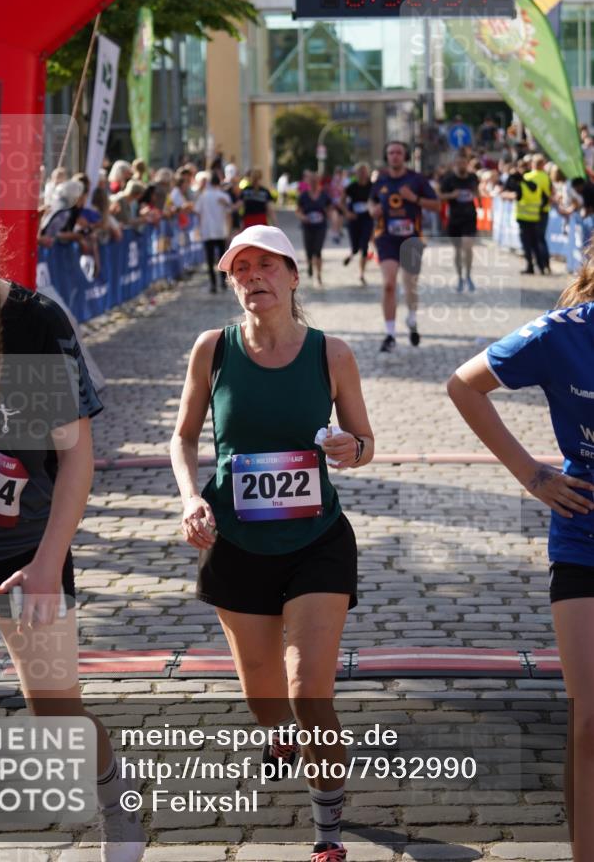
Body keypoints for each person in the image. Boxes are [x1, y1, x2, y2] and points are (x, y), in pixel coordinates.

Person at [0, 192, 145, 862]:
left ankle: (117, 793)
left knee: (53, 708)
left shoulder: (34, 323)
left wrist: (51, 562)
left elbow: (77, 457)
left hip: (30, 545)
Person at [170, 225, 374, 862]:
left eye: (265, 266)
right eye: (240, 269)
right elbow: (182, 439)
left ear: (292, 276)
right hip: (235, 541)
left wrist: (349, 448)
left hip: (318, 540)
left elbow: (364, 443)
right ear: (231, 282)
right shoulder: (213, 349)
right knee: (265, 699)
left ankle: (328, 828)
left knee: (306, 687)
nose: (253, 276)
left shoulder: (331, 354)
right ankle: (278, 736)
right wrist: (190, 498)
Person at [447, 245, 594, 862]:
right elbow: (463, 384)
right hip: (584, 534)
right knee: (590, 719)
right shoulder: (563, 334)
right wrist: (531, 473)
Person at [370, 142, 439, 352]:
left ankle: (411, 318)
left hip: (411, 239)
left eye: (399, 152)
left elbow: (436, 205)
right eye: (391, 152)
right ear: (386, 156)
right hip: (386, 239)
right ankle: (390, 334)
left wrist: (414, 199)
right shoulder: (380, 180)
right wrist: (374, 210)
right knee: (388, 285)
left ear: (405, 156)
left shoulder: (417, 179)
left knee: (410, 284)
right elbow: (371, 204)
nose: (395, 156)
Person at [439, 151, 480, 292]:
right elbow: (440, 196)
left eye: (464, 162)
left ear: (467, 163)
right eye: (459, 162)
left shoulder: (473, 177)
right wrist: (452, 195)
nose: (462, 165)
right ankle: (460, 278)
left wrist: (477, 197)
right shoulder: (448, 179)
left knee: (467, 247)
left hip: (470, 217)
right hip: (455, 218)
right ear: (455, 163)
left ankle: (468, 275)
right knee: (457, 250)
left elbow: (477, 191)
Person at [194, 170, 232, 293]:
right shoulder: (224, 196)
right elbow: (229, 214)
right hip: (220, 230)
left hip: (207, 230)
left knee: (209, 259)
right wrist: (229, 230)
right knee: (222, 257)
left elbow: (198, 213)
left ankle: (213, 284)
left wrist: (199, 228)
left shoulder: (203, 196)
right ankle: (223, 281)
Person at [502, 166, 543, 274]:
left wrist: (505, 194)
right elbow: (543, 199)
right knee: (535, 244)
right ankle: (541, 267)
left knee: (527, 245)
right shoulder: (536, 186)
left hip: (524, 220)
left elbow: (516, 196)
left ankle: (530, 267)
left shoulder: (521, 186)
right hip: (535, 218)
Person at [296, 171, 332, 285]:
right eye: (312, 181)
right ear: (308, 183)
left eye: (316, 181)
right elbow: (298, 210)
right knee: (309, 251)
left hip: (321, 226)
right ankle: (310, 265)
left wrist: (328, 214)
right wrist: (303, 217)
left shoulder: (324, 195)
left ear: (319, 182)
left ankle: (319, 275)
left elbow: (330, 208)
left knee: (318, 250)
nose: (314, 183)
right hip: (308, 226)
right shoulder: (304, 196)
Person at [343, 163, 374, 287]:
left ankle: (361, 274)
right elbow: (340, 202)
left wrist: (374, 210)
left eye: (364, 171)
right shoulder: (351, 187)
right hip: (354, 220)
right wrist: (347, 213)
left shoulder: (373, 187)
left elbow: (379, 200)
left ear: (368, 173)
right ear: (356, 173)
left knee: (364, 245)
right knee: (355, 247)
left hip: (367, 219)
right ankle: (352, 254)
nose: (362, 173)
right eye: (360, 171)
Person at [524, 154, 554, 275]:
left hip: (529, 213)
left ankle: (534, 264)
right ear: (542, 165)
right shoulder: (546, 177)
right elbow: (550, 194)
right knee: (541, 239)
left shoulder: (526, 176)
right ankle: (545, 265)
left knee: (531, 240)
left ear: (532, 164)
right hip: (543, 211)